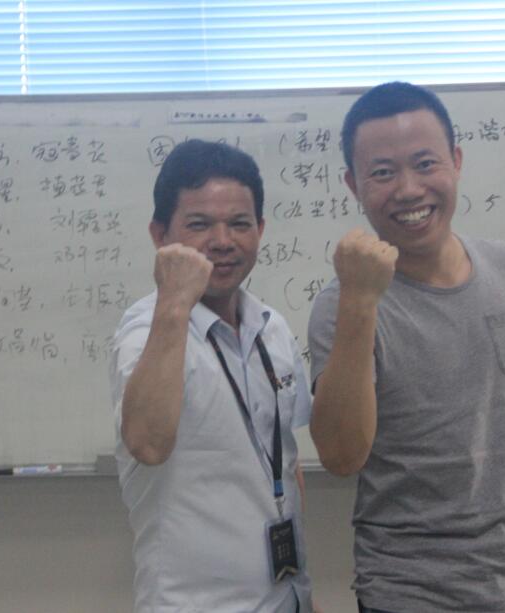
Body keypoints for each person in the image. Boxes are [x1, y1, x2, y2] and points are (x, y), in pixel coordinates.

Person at [307, 82, 505, 613]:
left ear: (455, 161)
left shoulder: (504, 268)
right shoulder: (341, 305)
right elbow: (341, 456)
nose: (408, 189)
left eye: (425, 163)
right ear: (353, 185)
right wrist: (361, 301)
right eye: (382, 172)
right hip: (407, 595)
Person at [110, 139, 313, 612]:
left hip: (285, 598)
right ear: (160, 235)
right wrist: (174, 301)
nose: (223, 241)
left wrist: (303, 590)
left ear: (260, 229)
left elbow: (285, 461)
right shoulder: (145, 331)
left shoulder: (271, 328)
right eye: (199, 224)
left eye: (239, 223)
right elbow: (148, 443)